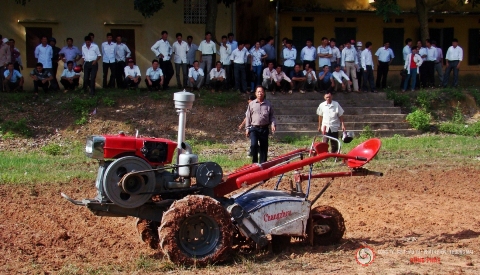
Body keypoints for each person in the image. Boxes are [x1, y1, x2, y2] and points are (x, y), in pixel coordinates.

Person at [245, 86, 276, 164]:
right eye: (258, 92)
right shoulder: (251, 104)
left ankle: (263, 166)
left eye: (261, 91)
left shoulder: (268, 104)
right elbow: (248, 117)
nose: (260, 93)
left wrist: (273, 124)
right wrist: (247, 128)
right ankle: (254, 163)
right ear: (255, 93)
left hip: (264, 129)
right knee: (254, 145)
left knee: (264, 148)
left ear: (264, 93)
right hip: (254, 128)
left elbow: (272, 116)